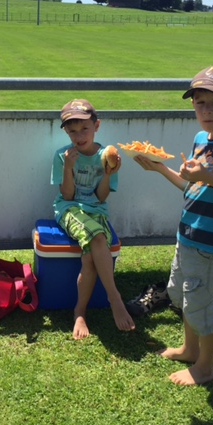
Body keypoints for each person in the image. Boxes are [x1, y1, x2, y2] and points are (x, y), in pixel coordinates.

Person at [134, 65, 213, 386]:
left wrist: (207, 176)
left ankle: (205, 367)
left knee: (203, 305)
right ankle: (190, 350)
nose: (206, 110)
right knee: (183, 296)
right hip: (189, 236)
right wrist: (161, 169)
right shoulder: (200, 138)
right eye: (199, 102)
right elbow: (193, 187)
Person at [51, 99, 136, 340]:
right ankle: (114, 297)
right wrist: (68, 167)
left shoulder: (106, 156)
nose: (79, 136)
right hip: (69, 209)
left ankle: (79, 311)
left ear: (96, 126)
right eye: (72, 131)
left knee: (89, 257)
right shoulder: (62, 156)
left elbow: (101, 197)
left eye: (84, 129)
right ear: (66, 132)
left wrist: (108, 174)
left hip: (96, 210)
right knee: (98, 236)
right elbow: (67, 195)